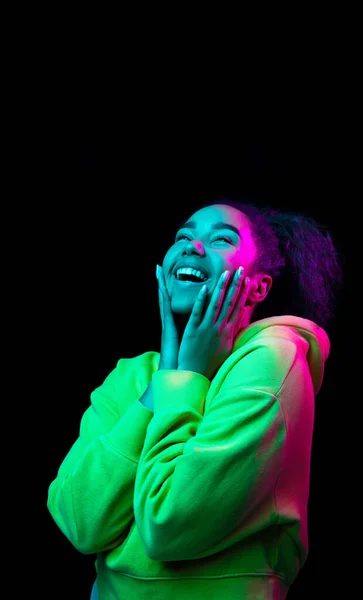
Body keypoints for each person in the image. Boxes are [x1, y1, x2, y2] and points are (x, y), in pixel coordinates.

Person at [47, 197, 343, 599]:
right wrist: (167, 378)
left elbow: (168, 524)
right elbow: (80, 523)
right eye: (182, 236)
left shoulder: (273, 359)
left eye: (221, 238)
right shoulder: (129, 375)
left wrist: (187, 378)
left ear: (258, 287)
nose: (192, 246)